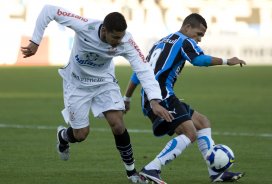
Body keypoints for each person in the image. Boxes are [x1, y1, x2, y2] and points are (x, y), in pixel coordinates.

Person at [20, 4, 174, 183]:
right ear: (104, 30)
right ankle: (63, 136)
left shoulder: (126, 42)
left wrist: (154, 99)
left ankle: (132, 173)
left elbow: (143, 69)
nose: (118, 41)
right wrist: (35, 41)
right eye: (115, 37)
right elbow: (49, 10)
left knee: (117, 124)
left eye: (121, 37)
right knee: (81, 134)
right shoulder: (84, 26)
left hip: (104, 83)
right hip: (76, 84)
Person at [123, 13, 246, 183]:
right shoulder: (184, 40)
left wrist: (127, 98)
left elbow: (139, 73)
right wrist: (227, 61)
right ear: (187, 27)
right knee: (190, 133)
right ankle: (152, 168)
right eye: (199, 34)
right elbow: (198, 60)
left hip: (152, 96)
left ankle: (215, 173)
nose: (200, 39)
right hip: (161, 96)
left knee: (202, 122)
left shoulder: (161, 42)